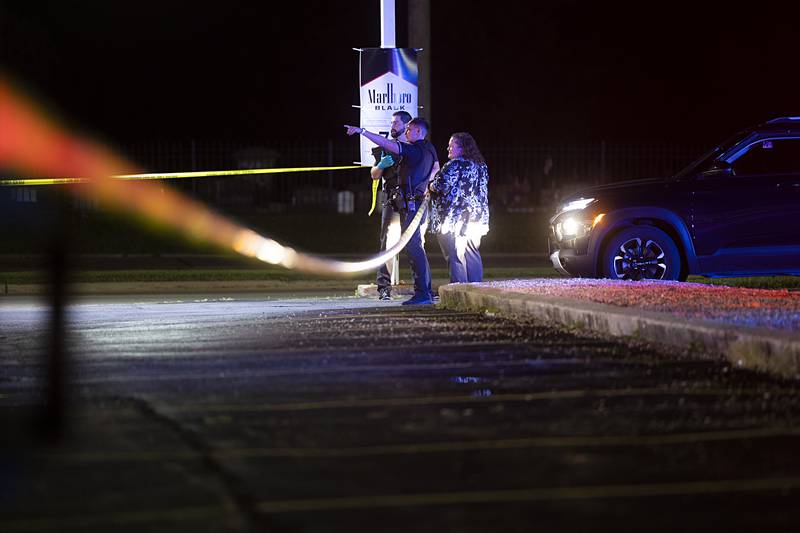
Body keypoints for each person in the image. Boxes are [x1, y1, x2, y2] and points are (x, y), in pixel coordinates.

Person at [345, 117, 439, 305]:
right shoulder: (429, 148)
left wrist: (362, 131)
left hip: (411, 204)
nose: (406, 132)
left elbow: (389, 144)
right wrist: (427, 187)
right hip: (411, 202)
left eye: (409, 129)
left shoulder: (414, 150)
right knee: (413, 246)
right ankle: (422, 291)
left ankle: (423, 294)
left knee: (413, 247)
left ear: (418, 131)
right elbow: (435, 167)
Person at [428, 132, 489, 283]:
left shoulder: (454, 165)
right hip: (476, 219)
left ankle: (458, 292)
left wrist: (429, 186)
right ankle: (476, 291)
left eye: (451, 145)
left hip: (454, 219)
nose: (447, 148)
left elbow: (440, 186)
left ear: (462, 148)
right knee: (472, 254)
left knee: (455, 256)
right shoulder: (481, 166)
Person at [370, 111, 412, 301]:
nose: (392, 126)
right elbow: (374, 175)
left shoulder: (414, 147)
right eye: (392, 123)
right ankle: (384, 287)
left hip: (412, 199)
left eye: (396, 123)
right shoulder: (385, 147)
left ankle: (421, 287)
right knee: (388, 244)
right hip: (392, 200)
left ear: (407, 125)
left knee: (415, 243)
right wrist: (380, 165)